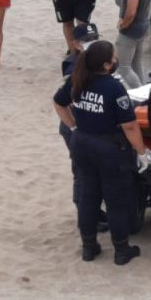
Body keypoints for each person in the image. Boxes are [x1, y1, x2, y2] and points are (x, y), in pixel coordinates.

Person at [53, 40, 151, 265]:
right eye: (114, 58)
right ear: (107, 65)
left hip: (82, 144)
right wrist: (141, 152)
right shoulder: (113, 88)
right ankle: (121, 249)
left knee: (88, 196)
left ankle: (89, 247)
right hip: (108, 149)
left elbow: (59, 103)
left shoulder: (78, 79)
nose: (117, 60)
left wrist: (74, 127)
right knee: (116, 199)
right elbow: (129, 126)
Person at [59, 22, 108, 233]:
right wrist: (74, 127)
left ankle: (94, 213)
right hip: (76, 124)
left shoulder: (95, 60)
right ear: (76, 44)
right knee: (82, 173)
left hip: (87, 124)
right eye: (87, 41)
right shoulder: (73, 65)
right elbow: (65, 100)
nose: (91, 43)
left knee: (92, 173)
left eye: (94, 38)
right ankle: (86, 216)